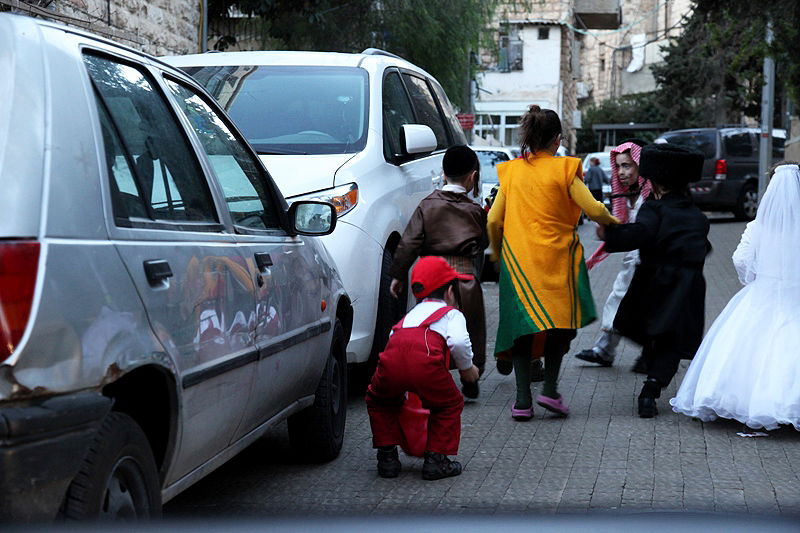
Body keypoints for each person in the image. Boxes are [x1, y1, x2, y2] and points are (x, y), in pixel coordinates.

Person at [487, 104, 618, 421]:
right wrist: (614, 223)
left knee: (522, 328)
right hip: (559, 262)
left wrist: (495, 253)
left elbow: (493, 219)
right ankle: (549, 391)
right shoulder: (564, 169)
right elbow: (594, 208)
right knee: (559, 324)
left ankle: (521, 401)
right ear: (557, 140)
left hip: (518, 263)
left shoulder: (512, 172)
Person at [670, 162, 800, 430]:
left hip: (762, 294)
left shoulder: (758, 227)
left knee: (748, 349)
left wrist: (753, 279)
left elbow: (741, 258)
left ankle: (746, 402)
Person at [597, 143, 710, 418]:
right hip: (689, 286)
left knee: (645, 327)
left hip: (656, 282)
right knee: (671, 341)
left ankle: (649, 360)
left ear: (654, 180)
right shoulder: (697, 215)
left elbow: (639, 234)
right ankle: (652, 387)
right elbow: (701, 247)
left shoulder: (653, 209)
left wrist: (608, 234)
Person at [365, 256, 480, 480]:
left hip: (391, 360)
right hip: (426, 364)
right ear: (449, 292)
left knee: (379, 401)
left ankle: (387, 456)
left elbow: (392, 338)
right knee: (448, 404)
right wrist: (467, 368)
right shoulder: (451, 314)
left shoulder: (409, 316)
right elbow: (458, 341)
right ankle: (436, 460)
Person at [389, 144, 488, 399]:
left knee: (432, 327)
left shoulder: (427, 205)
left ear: (443, 174)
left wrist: (398, 274)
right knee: (471, 329)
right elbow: (484, 242)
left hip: (433, 281)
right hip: (466, 281)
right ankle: (471, 373)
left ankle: (433, 371)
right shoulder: (475, 210)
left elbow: (409, 242)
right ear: (473, 177)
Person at [576, 139, 652, 370]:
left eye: (627, 165)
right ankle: (606, 350)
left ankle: (645, 354)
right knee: (619, 301)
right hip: (635, 260)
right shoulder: (629, 194)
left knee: (626, 303)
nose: (621, 172)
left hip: (651, 262)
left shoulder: (651, 195)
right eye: (618, 166)